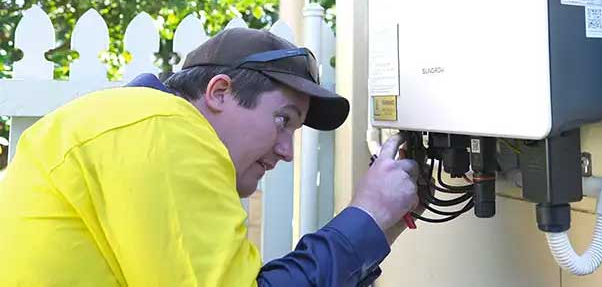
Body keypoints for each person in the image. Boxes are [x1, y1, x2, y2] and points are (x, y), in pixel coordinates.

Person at [0, 27, 420, 286]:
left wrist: (379, 226)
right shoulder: (160, 126)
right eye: (282, 119)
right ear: (219, 92)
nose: (287, 150)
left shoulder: (130, 124)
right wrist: (366, 214)